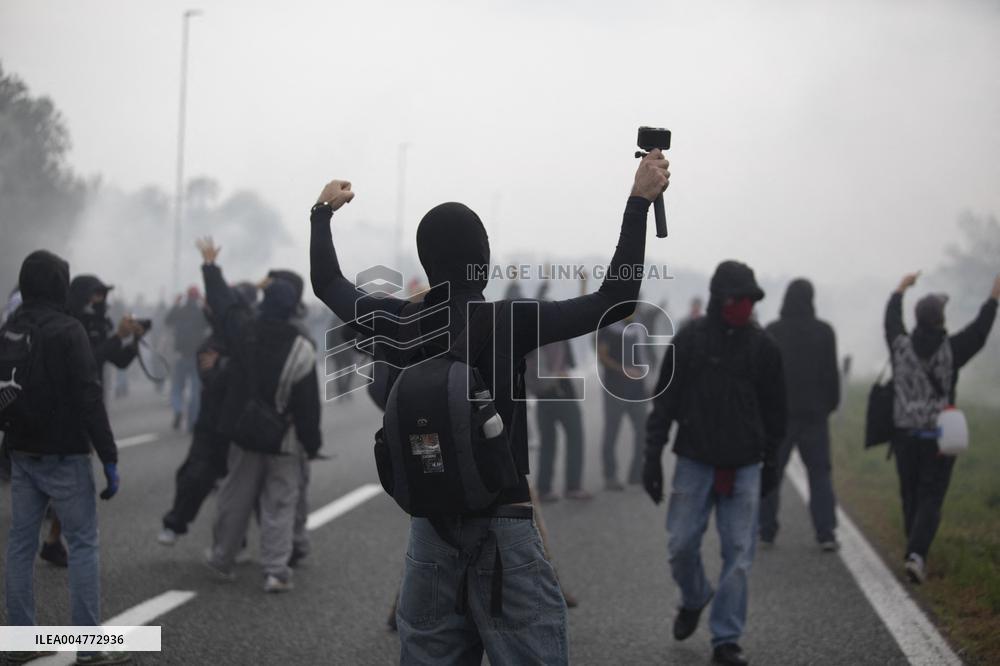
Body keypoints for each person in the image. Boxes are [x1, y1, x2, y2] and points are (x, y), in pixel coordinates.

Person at [310, 149, 669, 665]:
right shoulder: (508, 320)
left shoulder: (399, 321)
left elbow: (328, 284)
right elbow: (616, 299)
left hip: (430, 530)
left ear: (427, 263)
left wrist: (321, 214)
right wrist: (639, 201)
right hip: (505, 526)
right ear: (484, 259)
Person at [644, 260, 786, 666]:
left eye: (750, 300)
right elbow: (664, 403)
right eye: (736, 299)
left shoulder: (765, 349)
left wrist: (772, 462)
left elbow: (777, 414)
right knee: (680, 546)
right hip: (694, 461)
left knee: (739, 554)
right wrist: (651, 456)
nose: (744, 306)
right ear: (718, 299)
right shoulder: (688, 341)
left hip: (744, 466)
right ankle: (694, 597)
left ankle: (726, 639)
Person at [4, 251, 128, 665]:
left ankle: (21, 638)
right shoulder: (69, 329)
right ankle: (90, 647)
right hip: (66, 452)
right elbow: (89, 397)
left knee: (20, 546)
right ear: (60, 284)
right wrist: (108, 457)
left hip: (21, 450)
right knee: (84, 543)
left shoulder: (11, 328)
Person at [199, 240, 323, 592]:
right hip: (284, 438)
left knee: (234, 496)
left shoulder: (245, 331)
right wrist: (311, 444)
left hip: (243, 432)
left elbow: (224, 305)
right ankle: (274, 571)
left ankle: (222, 558)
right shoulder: (302, 349)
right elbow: (308, 404)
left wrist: (210, 268)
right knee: (280, 504)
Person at [885, 271, 998, 584]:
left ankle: (913, 548)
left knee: (910, 494)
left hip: (905, 436)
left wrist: (899, 290)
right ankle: (917, 554)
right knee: (931, 497)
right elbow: (980, 332)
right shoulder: (952, 350)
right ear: (940, 320)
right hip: (938, 439)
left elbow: (891, 321)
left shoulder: (900, 348)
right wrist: (993, 298)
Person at [29, 276, 144, 570]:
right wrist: (117, 337)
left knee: (71, 478)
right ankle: (45, 538)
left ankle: (53, 541)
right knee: (67, 478)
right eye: (96, 294)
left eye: (104, 294)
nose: (101, 299)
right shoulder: (70, 323)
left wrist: (133, 341)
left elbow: (116, 360)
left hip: (90, 405)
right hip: (65, 408)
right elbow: (89, 358)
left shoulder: (102, 323)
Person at [158, 283, 258, 545]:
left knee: (248, 488)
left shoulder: (252, 339)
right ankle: (175, 524)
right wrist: (229, 367)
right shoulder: (212, 344)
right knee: (194, 476)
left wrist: (226, 365)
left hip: (241, 425)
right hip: (211, 424)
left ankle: (245, 543)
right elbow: (213, 379)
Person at [759, 278, 841, 551]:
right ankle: (825, 532)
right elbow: (832, 375)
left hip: (779, 417)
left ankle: (766, 529)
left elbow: (765, 377)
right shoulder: (824, 332)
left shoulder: (772, 331)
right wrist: (829, 406)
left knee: (772, 473)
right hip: (815, 416)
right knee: (819, 475)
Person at [525, 279, 590, 502]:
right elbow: (580, 315)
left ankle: (545, 489)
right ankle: (570, 487)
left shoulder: (532, 333)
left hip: (546, 391)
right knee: (574, 437)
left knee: (548, 441)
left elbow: (580, 314)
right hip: (558, 389)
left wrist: (583, 285)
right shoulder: (549, 333)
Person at [598, 313, 649, 490]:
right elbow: (602, 356)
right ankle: (610, 476)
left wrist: (648, 379)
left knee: (643, 431)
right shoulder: (608, 328)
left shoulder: (639, 327)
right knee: (612, 432)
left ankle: (636, 474)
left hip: (638, 389)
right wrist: (623, 369)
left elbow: (645, 354)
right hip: (615, 388)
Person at [165, 286, 208, 431]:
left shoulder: (180, 310)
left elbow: (167, 320)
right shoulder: (201, 312)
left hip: (181, 355)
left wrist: (176, 303)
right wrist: (205, 303)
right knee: (195, 391)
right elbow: (212, 322)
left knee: (177, 388)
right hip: (197, 355)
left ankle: (178, 409)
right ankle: (193, 421)